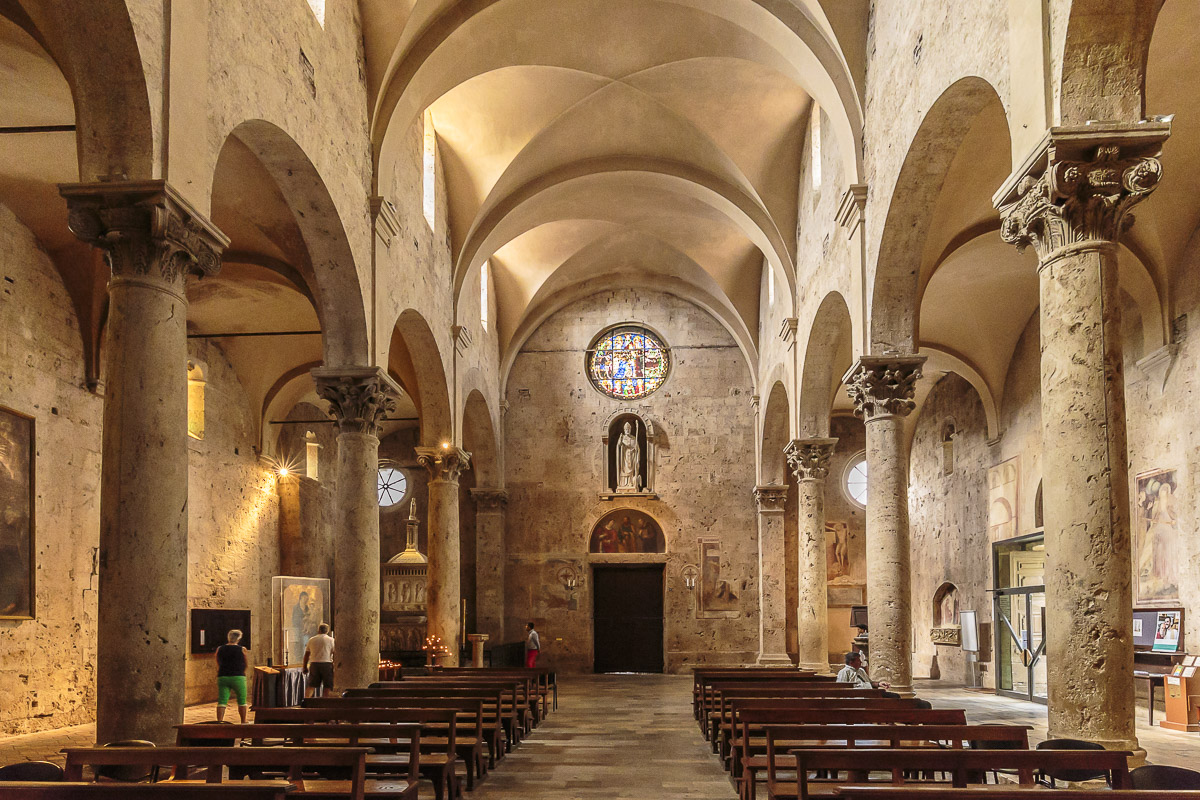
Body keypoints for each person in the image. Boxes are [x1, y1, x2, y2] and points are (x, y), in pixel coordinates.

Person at [215, 629, 249, 723]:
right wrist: (242, 671)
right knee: (242, 700)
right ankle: (243, 720)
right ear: (238, 639)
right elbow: (245, 663)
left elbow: (218, 661)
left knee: (222, 700)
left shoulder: (220, 648)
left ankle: (220, 721)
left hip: (223, 676)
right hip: (238, 676)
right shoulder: (242, 649)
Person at [303, 623, 335, 697]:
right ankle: (325, 703)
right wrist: (335, 665)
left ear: (319, 630)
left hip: (314, 664)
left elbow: (307, 655)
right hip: (327, 664)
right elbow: (334, 653)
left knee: (311, 685)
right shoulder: (331, 640)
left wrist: (304, 666)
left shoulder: (311, 640)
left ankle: (307, 701)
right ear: (327, 631)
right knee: (327, 686)